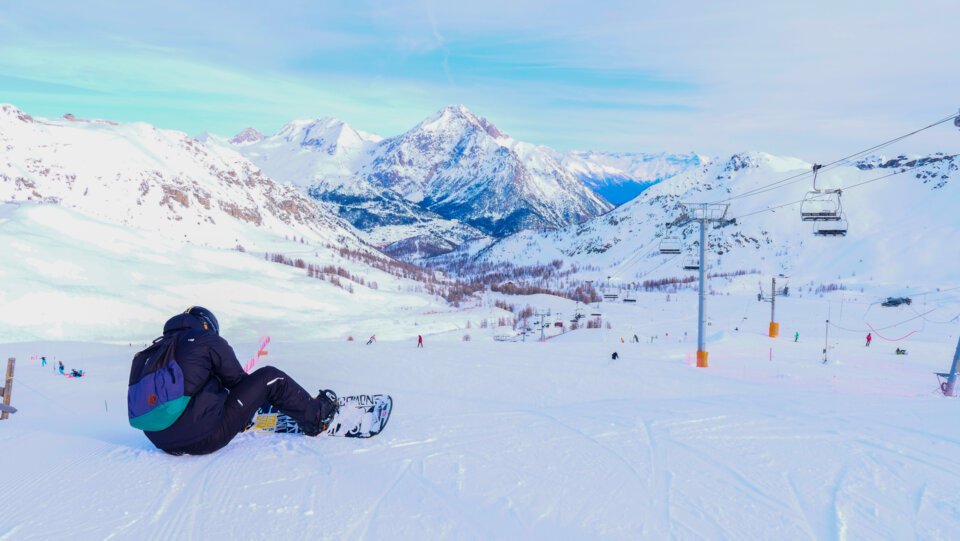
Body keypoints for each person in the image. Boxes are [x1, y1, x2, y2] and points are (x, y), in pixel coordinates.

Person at [129, 306, 339, 456]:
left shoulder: (150, 353)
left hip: (159, 440)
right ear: (207, 325)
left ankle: (236, 418)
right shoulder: (204, 339)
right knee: (270, 377)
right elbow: (236, 380)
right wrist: (250, 405)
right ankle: (317, 417)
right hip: (204, 437)